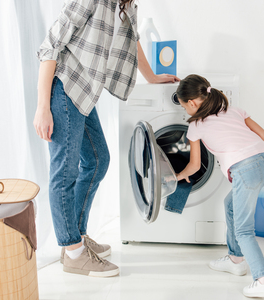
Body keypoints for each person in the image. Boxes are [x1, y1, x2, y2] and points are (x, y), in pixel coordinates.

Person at [33, 0, 179, 278]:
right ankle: (73, 251)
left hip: (85, 93)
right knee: (65, 172)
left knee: (98, 160)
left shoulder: (126, 4)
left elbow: (132, 39)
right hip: (65, 86)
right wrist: (42, 107)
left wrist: (152, 76)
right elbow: (50, 45)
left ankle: (77, 236)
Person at [175, 74, 264, 298]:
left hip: (246, 169)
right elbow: (262, 134)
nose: (186, 112)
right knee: (230, 203)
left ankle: (263, 280)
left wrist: (178, 175)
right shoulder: (233, 110)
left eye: (184, 107)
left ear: (191, 103)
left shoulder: (196, 125)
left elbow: (193, 165)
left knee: (243, 229)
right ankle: (235, 260)